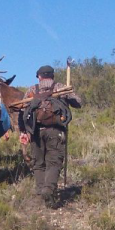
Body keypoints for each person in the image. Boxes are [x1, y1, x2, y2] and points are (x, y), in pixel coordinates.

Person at [18, 65, 82, 208]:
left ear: (39, 77)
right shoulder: (61, 88)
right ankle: (48, 190)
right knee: (54, 162)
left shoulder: (32, 90)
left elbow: (22, 111)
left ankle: (42, 191)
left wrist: (23, 131)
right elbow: (78, 103)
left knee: (38, 163)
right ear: (52, 76)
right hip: (56, 130)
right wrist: (69, 92)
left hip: (35, 131)